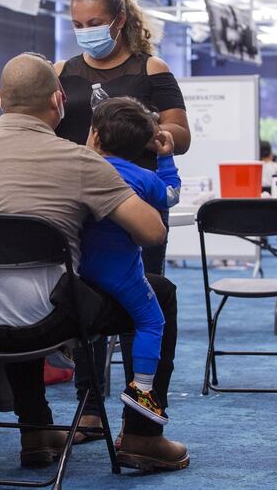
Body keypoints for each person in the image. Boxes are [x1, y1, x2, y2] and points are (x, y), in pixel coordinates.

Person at [0, 53, 188, 471]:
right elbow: (151, 232)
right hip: (50, 318)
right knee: (158, 293)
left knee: (10, 280)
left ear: (0, 98)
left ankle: (35, 430)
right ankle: (144, 435)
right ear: (59, 102)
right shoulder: (79, 161)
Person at [55, 0, 190, 276]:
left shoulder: (151, 68)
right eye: (78, 26)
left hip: (137, 195)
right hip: (80, 199)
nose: (86, 31)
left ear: (119, 20)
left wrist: (153, 135)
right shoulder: (61, 71)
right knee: (83, 292)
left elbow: (181, 134)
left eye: (94, 23)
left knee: (145, 286)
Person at [80, 97, 181, 424]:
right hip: (122, 276)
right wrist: (165, 159)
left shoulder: (78, 169)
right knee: (152, 322)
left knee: (85, 331)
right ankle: (142, 387)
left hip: (78, 276)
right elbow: (171, 196)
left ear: (95, 135)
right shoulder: (143, 178)